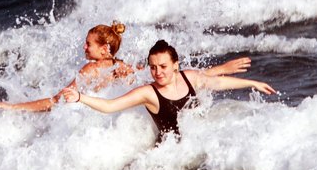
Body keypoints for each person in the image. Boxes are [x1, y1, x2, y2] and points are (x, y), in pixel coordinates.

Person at [0, 25, 253, 114]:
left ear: (105, 49)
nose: (84, 48)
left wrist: (12, 107)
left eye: (88, 44)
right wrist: (220, 69)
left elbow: (54, 102)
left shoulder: (90, 70)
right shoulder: (124, 68)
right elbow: (174, 76)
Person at [61, 38, 277, 138]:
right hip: (170, 155)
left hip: (197, 143)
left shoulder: (189, 77)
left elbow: (217, 82)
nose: (158, 72)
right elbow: (110, 106)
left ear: (175, 65)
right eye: (153, 68)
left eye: (163, 66)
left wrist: (252, 83)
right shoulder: (148, 93)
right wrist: (80, 97)